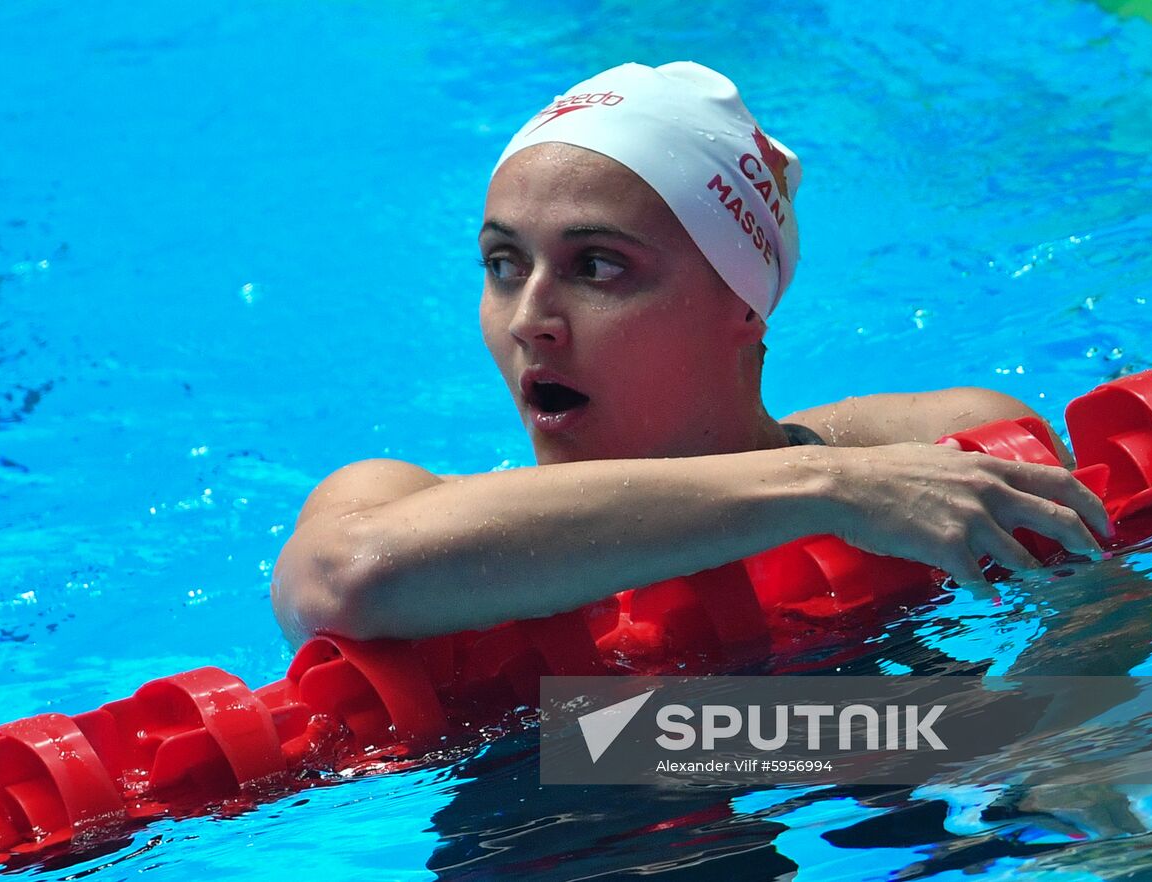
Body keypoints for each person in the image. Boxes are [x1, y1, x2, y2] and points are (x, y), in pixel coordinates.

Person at [271, 61, 1109, 645]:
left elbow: (1108, 644)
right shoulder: (393, 506)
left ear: (741, 301)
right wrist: (827, 489)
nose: (531, 318)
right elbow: (344, 580)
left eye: (596, 265)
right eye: (503, 264)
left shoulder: (946, 445)